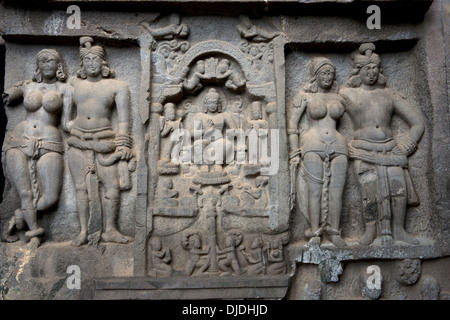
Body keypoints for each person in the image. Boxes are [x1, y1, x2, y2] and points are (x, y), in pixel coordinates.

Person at [339, 43, 425, 245]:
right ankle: (370, 231)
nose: (371, 73)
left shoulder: (390, 95)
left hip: (390, 148)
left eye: (375, 69)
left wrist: (404, 146)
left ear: (380, 70)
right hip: (363, 150)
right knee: (369, 192)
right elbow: (327, 116)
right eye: (367, 69)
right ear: (358, 71)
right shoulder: (346, 94)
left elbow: (417, 124)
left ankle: (399, 230)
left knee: (398, 189)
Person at [64, 37, 134, 246]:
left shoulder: (117, 86)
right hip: (78, 142)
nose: (91, 63)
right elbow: (65, 117)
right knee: (80, 187)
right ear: (82, 64)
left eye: (96, 59)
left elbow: (124, 121)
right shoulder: (72, 83)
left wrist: (123, 144)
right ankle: (84, 231)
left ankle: (110, 229)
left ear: (104, 63)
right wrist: (71, 127)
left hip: (105, 141)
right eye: (87, 59)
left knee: (111, 187)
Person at [2, 49, 71, 246]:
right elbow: (8, 97)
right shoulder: (27, 85)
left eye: (51, 61)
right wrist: (14, 91)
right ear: (38, 66)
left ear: (59, 66)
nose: (46, 64)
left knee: (50, 197)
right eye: (42, 61)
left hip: (50, 143)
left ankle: (20, 215)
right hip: (19, 140)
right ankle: (34, 233)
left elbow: (66, 124)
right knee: (25, 192)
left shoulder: (65, 89)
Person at [288, 57, 348, 246]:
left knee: (337, 192)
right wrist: (294, 150)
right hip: (312, 144)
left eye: (330, 73)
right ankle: (315, 232)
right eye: (323, 72)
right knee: (314, 191)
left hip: (338, 144)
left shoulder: (339, 97)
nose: (327, 76)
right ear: (315, 76)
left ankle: (335, 231)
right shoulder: (305, 96)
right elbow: (292, 124)